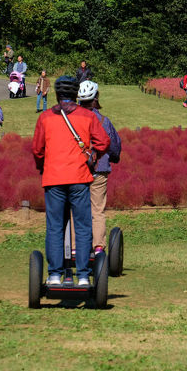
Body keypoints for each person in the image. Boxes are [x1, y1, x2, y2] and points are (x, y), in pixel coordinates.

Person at [32, 76, 110, 286]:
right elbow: (104, 142)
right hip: (79, 178)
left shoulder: (45, 117)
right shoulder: (87, 116)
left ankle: (55, 274)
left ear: (57, 94)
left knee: (55, 226)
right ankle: (83, 276)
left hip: (53, 179)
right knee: (83, 227)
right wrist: (93, 155)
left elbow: (37, 150)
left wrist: (42, 166)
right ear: (76, 94)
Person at [77, 81, 122, 253]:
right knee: (98, 210)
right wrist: (114, 158)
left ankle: (75, 247)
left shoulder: (72, 120)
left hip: (77, 170)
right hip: (99, 169)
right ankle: (98, 248)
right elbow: (114, 145)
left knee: (77, 209)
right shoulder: (104, 121)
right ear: (96, 98)